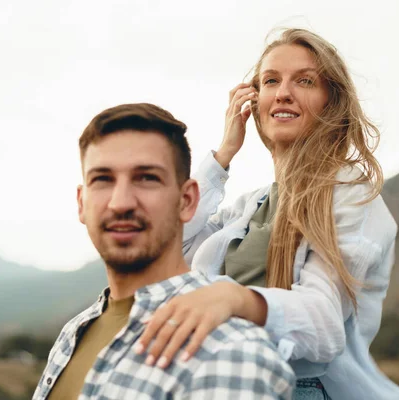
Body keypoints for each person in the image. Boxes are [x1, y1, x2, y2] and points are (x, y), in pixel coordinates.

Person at [134, 29, 399, 400]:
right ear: (254, 100)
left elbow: (323, 324)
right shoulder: (253, 205)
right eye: (271, 81)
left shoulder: (350, 192)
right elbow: (167, 242)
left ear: (331, 102)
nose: (282, 92)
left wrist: (235, 300)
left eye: (305, 81)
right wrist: (223, 154)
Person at [32, 103, 295, 399]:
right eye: (102, 179)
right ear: (82, 203)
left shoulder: (233, 355)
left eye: (147, 178)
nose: (120, 202)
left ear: (187, 200)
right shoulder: (72, 334)